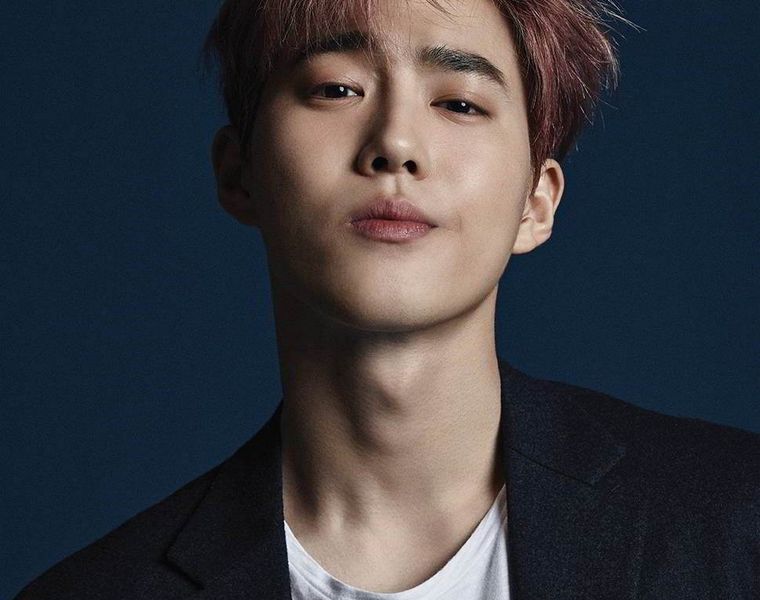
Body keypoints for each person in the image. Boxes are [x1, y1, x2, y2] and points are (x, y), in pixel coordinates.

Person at [13, 0, 759, 598]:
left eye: (459, 103)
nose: (396, 143)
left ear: (537, 202)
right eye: (336, 89)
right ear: (239, 174)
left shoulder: (736, 525)